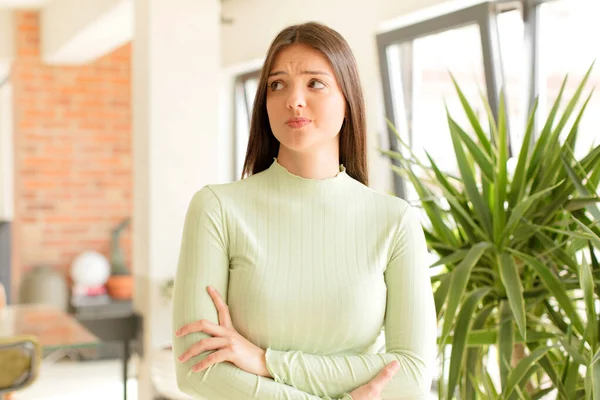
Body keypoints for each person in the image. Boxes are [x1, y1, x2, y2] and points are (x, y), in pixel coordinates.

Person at [171, 21, 437, 400]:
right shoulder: (217, 209)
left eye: (315, 83)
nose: (294, 99)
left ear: (348, 100)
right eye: (277, 85)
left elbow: (411, 373)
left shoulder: (395, 220)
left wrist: (266, 361)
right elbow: (196, 372)